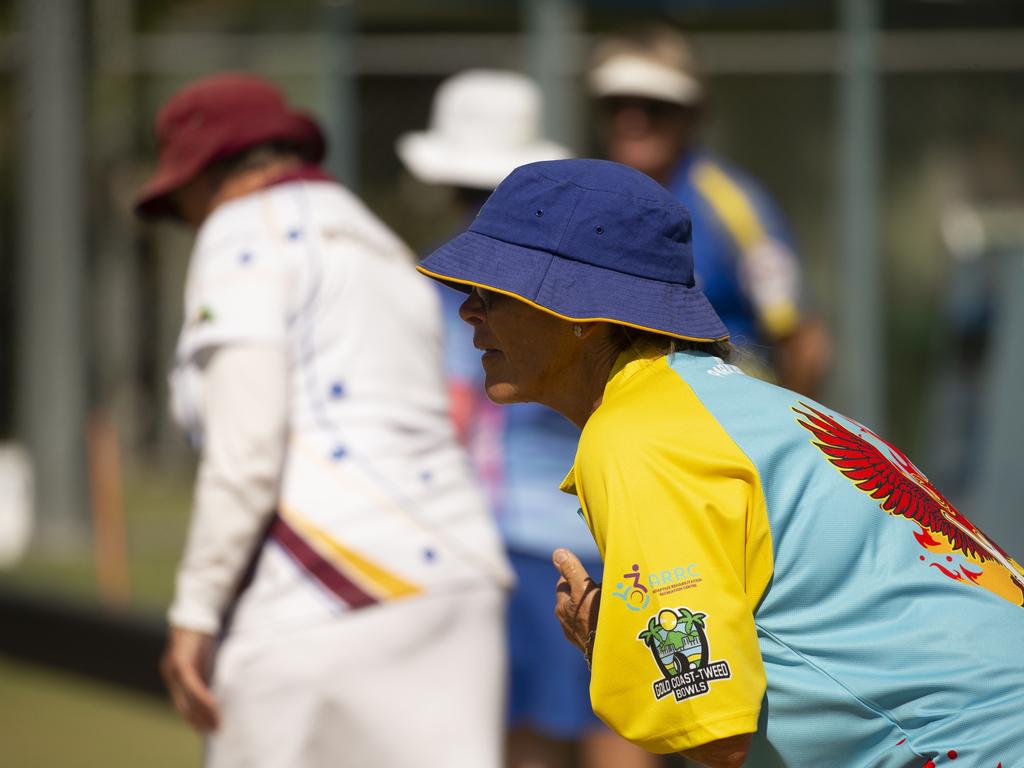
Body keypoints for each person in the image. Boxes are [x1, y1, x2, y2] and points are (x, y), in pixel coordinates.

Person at [415, 157, 1024, 767]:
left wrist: (612, 644)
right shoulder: (739, 405)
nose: (469, 310)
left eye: (493, 291)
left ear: (582, 314)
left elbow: (713, 734)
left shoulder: (637, 434)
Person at [134, 73, 512, 768]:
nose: (184, 218)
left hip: (324, 586)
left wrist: (195, 609)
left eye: (179, 197)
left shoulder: (240, 232)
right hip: (459, 578)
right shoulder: (378, 239)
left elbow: (246, 450)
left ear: (209, 172)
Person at [397, 69, 654, 768]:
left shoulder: (462, 284)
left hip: (510, 536)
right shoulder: (587, 271)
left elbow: (452, 413)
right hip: (621, 524)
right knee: (626, 716)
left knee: (525, 734)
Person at [589, 26, 830, 396]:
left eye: (655, 106)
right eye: (617, 104)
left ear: (693, 114)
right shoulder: (582, 199)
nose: (632, 121)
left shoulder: (732, 206)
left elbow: (802, 343)